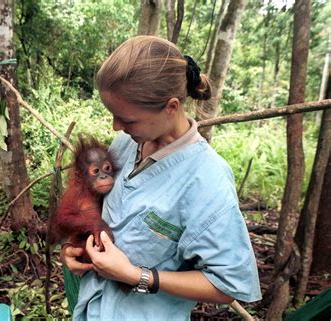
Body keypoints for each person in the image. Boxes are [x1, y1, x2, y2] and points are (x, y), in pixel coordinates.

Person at [61, 35, 261, 321]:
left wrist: (135, 275)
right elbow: (101, 209)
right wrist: (74, 248)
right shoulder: (126, 144)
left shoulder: (207, 181)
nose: (116, 126)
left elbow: (227, 284)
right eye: (114, 115)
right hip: (92, 306)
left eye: (127, 120)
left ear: (171, 107)